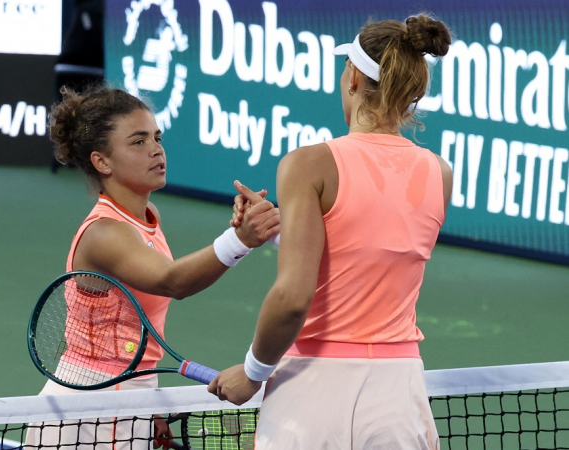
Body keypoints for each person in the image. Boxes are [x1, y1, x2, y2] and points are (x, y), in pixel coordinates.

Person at [208, 14, 454, 449]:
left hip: (313, 394)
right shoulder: (440, 173)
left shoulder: (308, 165)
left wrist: (252, 373)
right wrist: (283, 228)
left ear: (354, 77)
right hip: (399, 396)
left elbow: (292, 297)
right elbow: (372, 247)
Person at [25, 85, 280, 450]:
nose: (156, 150)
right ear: (102, 162)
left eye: (157, 138)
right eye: (138, 142)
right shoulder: (105, 233)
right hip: (89, 408)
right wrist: (240, 239)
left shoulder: (146, 216)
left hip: (130, 398)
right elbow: (171, 281)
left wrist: (151, 404)